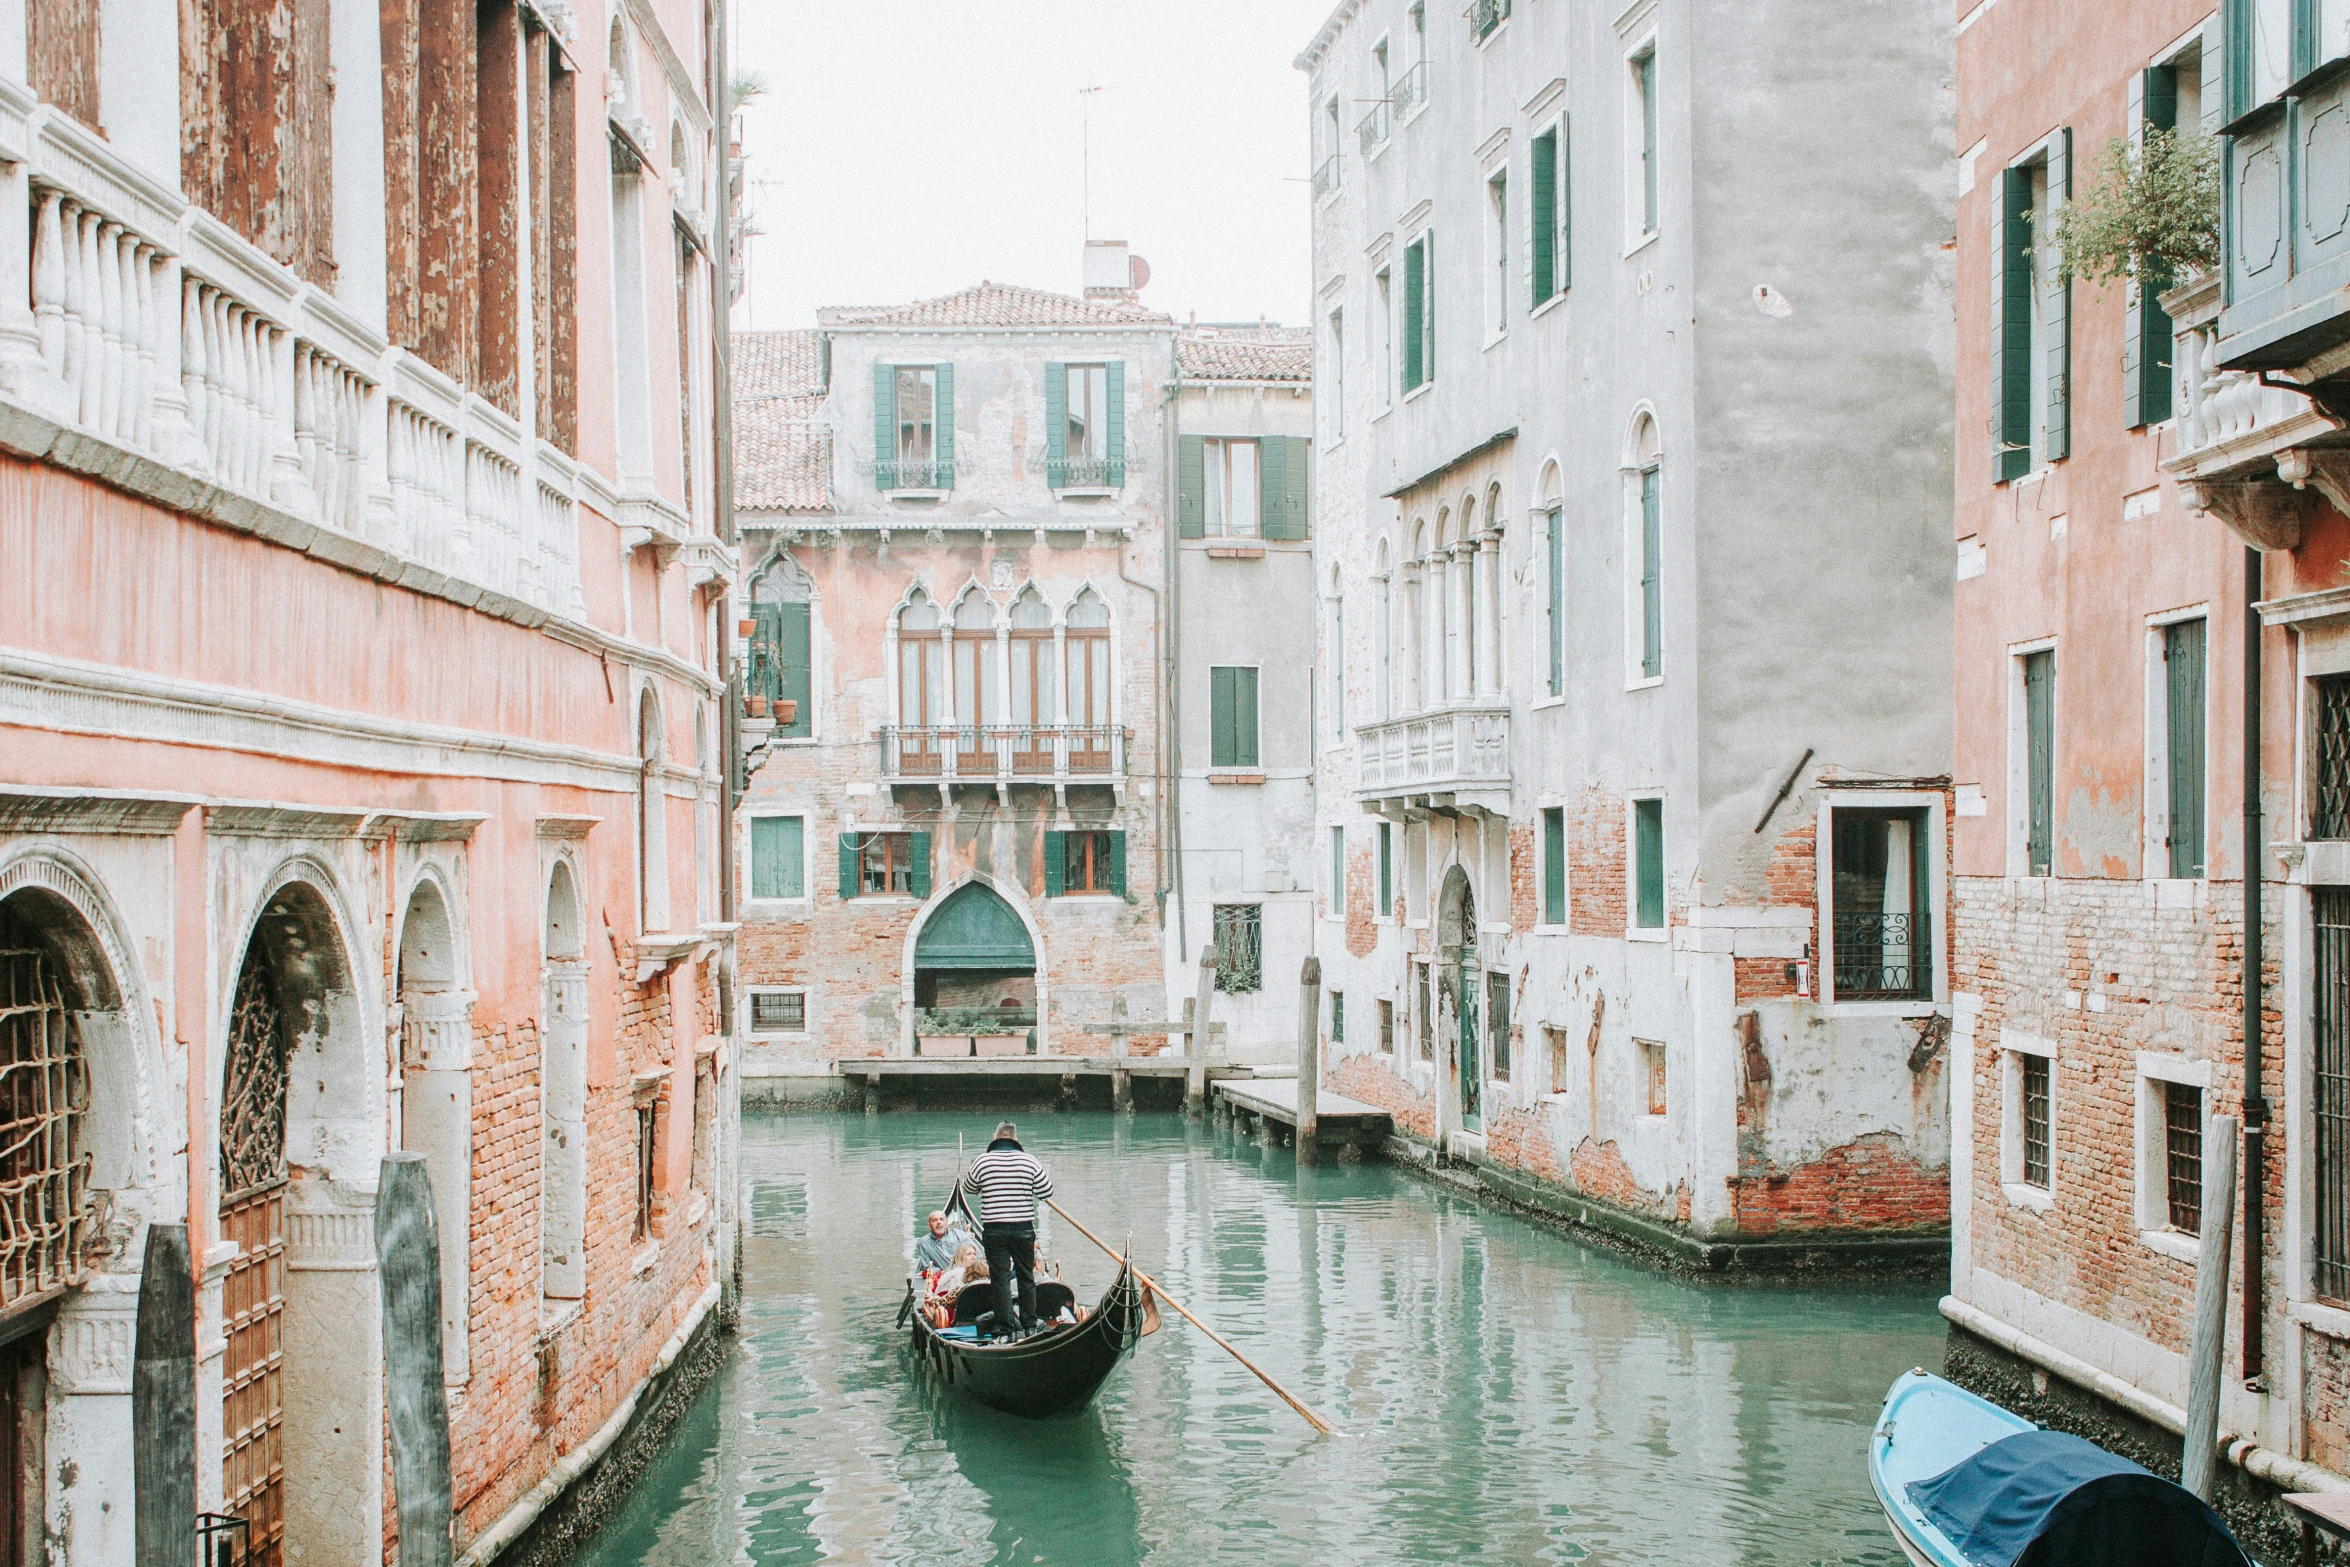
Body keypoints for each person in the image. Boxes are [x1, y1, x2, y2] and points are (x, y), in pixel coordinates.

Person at [961, 1119, 1053, 1338]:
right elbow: (1046, 1191)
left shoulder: (983, 1161)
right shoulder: (1029, 1161)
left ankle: (1007, 1329)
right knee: (1026, 1277)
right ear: (1015, 1138)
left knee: (1000, 1279)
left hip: (995, 1231)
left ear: (995, 1138)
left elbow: (968, 1188)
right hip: (1023, 1230)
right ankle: (1030, 1326)